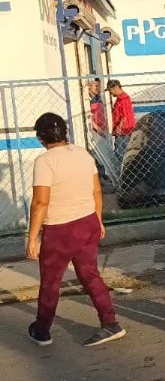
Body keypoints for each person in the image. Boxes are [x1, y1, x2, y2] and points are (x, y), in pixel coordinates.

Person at [25, 113, 126, 347]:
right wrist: (98, 220)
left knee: (51, 281)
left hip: (60, 229)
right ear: (65, 132)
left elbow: (40, 202)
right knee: (90, 274)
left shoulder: (46, 161)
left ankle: (42, 330)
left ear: (41, 137)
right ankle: (110, 323)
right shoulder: (82, 154)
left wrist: (32, 238)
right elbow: (97, 190)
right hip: (87, 222)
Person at [106, 79, 135, 165]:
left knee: (120, 152)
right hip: (123, 130)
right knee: (121, 151)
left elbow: (125, 115)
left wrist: (119, 127)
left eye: (110, 90)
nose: (111, 93)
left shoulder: (123, 98)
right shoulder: (121, 98)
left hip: (124, 131)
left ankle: (122, 171)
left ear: (115, 87)